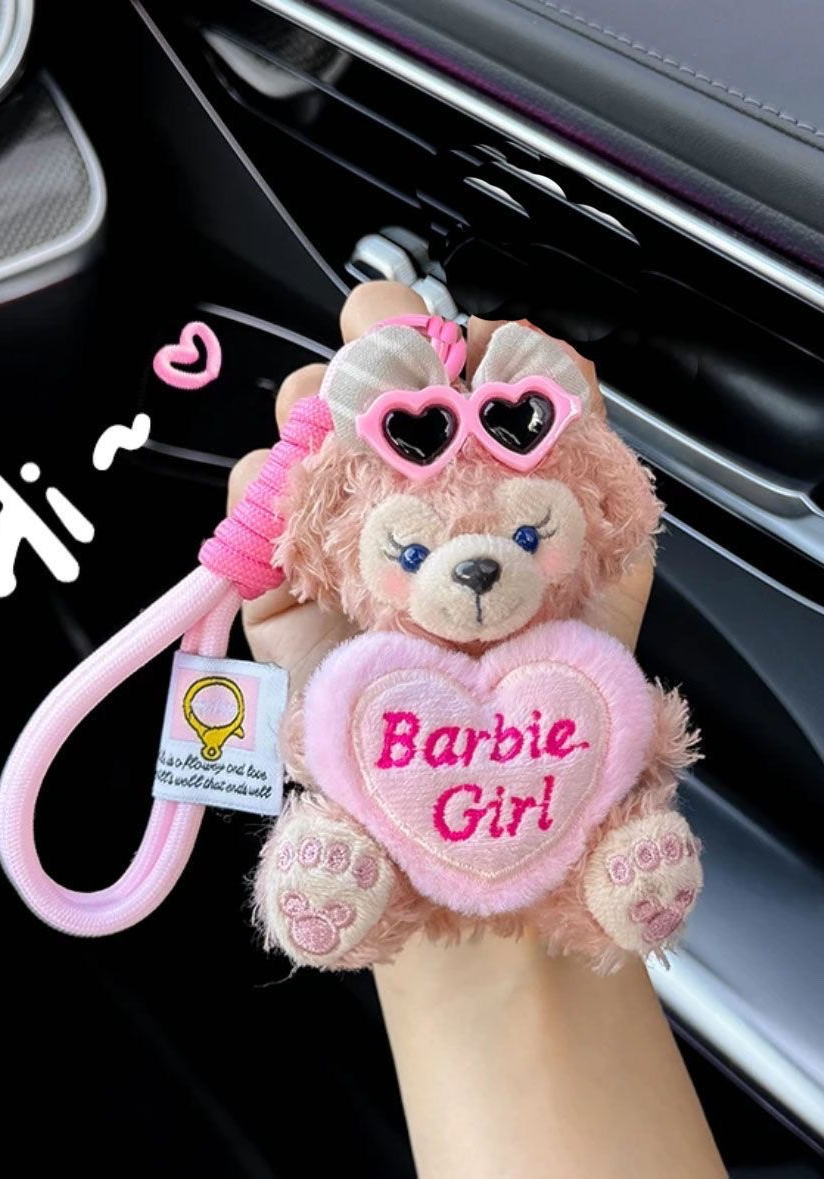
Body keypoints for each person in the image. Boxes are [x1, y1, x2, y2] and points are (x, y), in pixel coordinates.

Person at [227, 281, 725, 1178]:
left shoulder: (578, 675)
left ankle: (600, 866)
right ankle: (358, 865)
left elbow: (642, 736)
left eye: (530, 534)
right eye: (413, 551)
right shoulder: (359, 691)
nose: (480, 571)